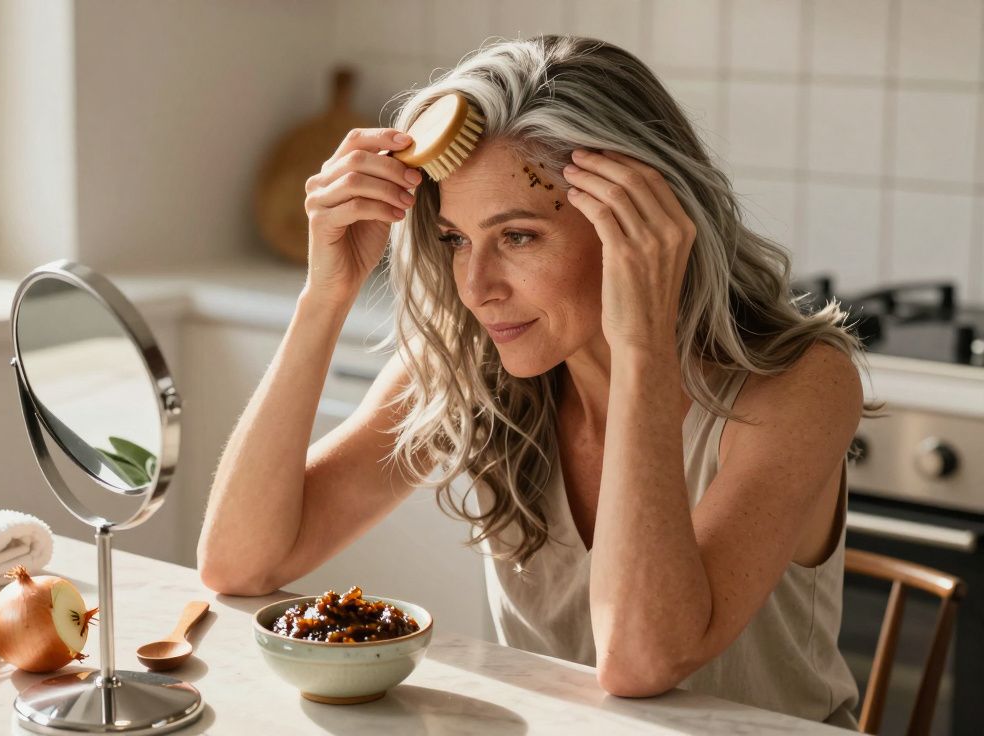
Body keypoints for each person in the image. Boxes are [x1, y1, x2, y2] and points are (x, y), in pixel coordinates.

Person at [197, 34, 869, 728]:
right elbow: (239, 565)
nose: (475, 288)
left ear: (639, 224)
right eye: (456, 239)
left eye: (517, 237)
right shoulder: (473, 371)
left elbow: (640, 660)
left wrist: (641, 345)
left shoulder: (801, 387)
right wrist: (324, 296)